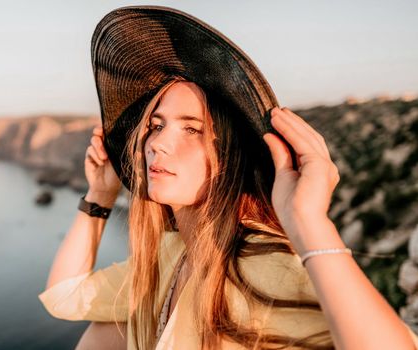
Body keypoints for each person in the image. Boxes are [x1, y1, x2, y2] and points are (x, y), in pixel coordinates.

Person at [38, 6, 418, 350]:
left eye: (192, 130)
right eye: (156, 126)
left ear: (230, 156)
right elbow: (65, 296)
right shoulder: (171, 254)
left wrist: (308, 223)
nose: (158, 145)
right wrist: (100, 195)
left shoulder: (261, 262)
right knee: (104, 332)